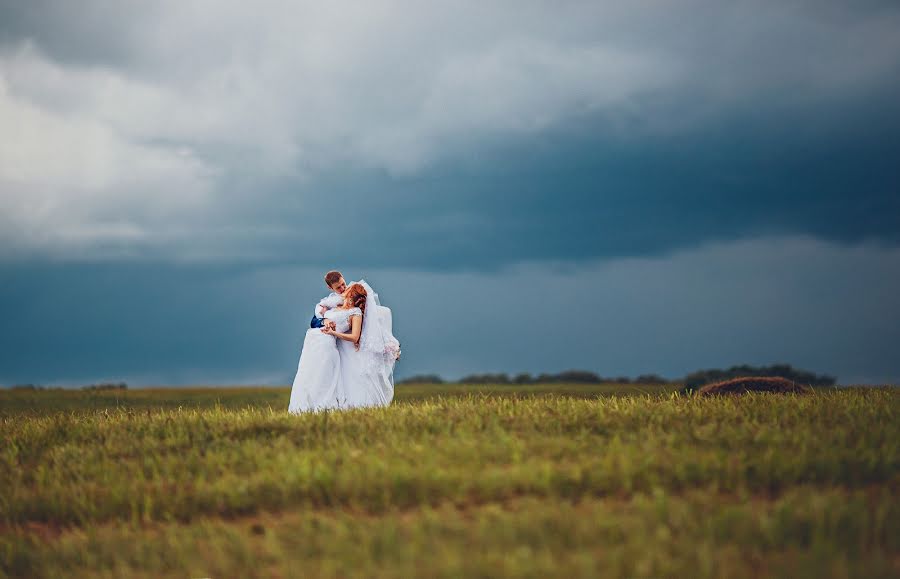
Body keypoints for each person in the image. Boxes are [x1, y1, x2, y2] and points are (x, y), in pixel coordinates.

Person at [288, 279, 400, 413]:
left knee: (326, 376)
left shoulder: (355, 313)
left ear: (351, 296)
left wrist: (333, 331)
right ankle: (307, 405)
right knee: (309, 375)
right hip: (314, 342)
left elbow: (355, 336)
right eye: (339, 287)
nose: (343, 290)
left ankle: (323, 406)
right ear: (330, 287)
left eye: (345, 289)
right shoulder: (335, 306)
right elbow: (315, 320)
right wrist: (325, 318)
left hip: (328, 345)